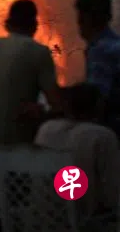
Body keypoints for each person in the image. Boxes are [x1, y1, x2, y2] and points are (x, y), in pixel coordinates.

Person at [0, 0, 60, 232]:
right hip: (10, 152)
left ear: (7, 23)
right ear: (34, 25)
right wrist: (40, 113)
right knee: (14, 219)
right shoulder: (38, 52)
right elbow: (57, 103)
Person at [35, 83, 120, 231]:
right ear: (99, 106)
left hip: (44, 220)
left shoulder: (46, 130)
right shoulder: (102, 136)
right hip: (87, 223)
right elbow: (113, 194)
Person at [75, 0, 120, 136]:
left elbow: (96, 99)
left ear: (85, 18)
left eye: (80, 16)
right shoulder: (113, 44)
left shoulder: (101, 50)